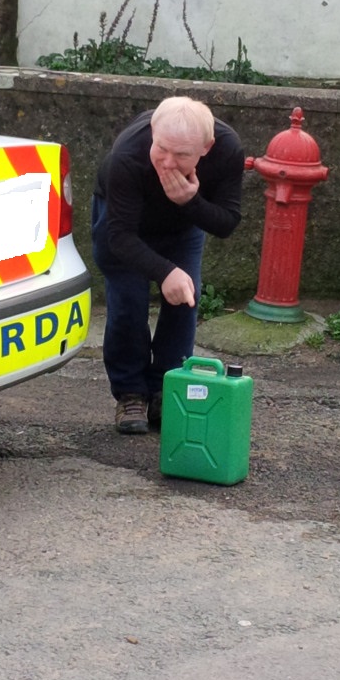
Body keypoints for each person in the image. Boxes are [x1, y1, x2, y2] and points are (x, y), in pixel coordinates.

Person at [91, 95, 245, 435]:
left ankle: (165, 389)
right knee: (129, 302)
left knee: (185, 299)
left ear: (207, 147)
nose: (168, 163)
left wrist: (190, 201)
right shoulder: (128, 155)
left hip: (180, 225)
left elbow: (226, 223)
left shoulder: (228, 150)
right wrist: (165, 271)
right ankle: (130, 393)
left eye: (182, 155)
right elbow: (120, 238)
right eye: (161, 149)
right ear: (152, 130)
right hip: (124, 225)